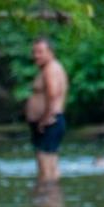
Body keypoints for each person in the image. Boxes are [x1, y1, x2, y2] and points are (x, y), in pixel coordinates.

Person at [26, 37, 69, 183]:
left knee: (46, 168)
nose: (36, 55)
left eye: (40, 52)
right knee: (50, 166)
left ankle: (47, 201)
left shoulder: (50, 69)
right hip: (51, 120)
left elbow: (53, 94)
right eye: (34, 52)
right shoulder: (52, 68)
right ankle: (50, 201)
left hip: (49, 122)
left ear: (50, 52)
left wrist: (45, 119)